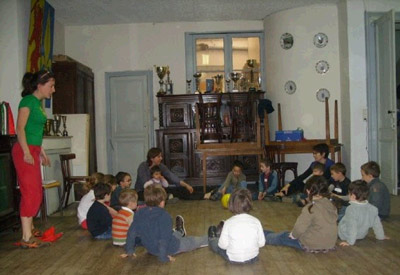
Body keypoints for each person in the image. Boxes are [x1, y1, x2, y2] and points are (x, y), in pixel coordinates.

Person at [12, 70, 55, 248]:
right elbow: (20, 129)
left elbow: (34, 131)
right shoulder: (27, 101)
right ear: (40, 85)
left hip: (33, 149)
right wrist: (27, 152)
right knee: (30, 192)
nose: (53, 89)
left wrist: (41, 150)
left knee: (35, 191)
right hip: (24, 151)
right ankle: (26, 237)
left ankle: (29, 230)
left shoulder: (38, 103)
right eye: (51, 86)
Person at [121, 185, 208, 262]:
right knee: (194, 240)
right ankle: (215, 236)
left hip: (151, 249)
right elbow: (164, 240)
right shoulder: (164, 216)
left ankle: (179, 231)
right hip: (170, 249)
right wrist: (163, 257)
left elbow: (131, 233)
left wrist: (130, 250)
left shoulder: (139, 213)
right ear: (162, 202)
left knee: (173, 234)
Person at [265, 176, 338, 253]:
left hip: (312, 244)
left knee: (282, 236)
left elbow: (299, 228)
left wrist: (293, 235)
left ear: (308, 191)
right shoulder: (331, 205)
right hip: (330, 244)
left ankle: (262, 236)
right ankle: (265, 233)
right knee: (282, 234)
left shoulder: (310, 208)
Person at [208, 189, 265, 264]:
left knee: (216, 245)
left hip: (233, 259)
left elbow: (222, 245)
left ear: (231, 205)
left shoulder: (228, 222)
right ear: (250, 204)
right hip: (253, 258)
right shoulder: (256, 221)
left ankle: (213, 238)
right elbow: (261, 243)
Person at [338, 180, 389, 246]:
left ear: (353, 196)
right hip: (361, 235)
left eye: (349, 194)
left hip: (345, 235)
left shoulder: (351, 209)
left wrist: (350, 242)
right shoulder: (373, 209)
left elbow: (352, 226)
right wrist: (381, 236)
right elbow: (377, 224)